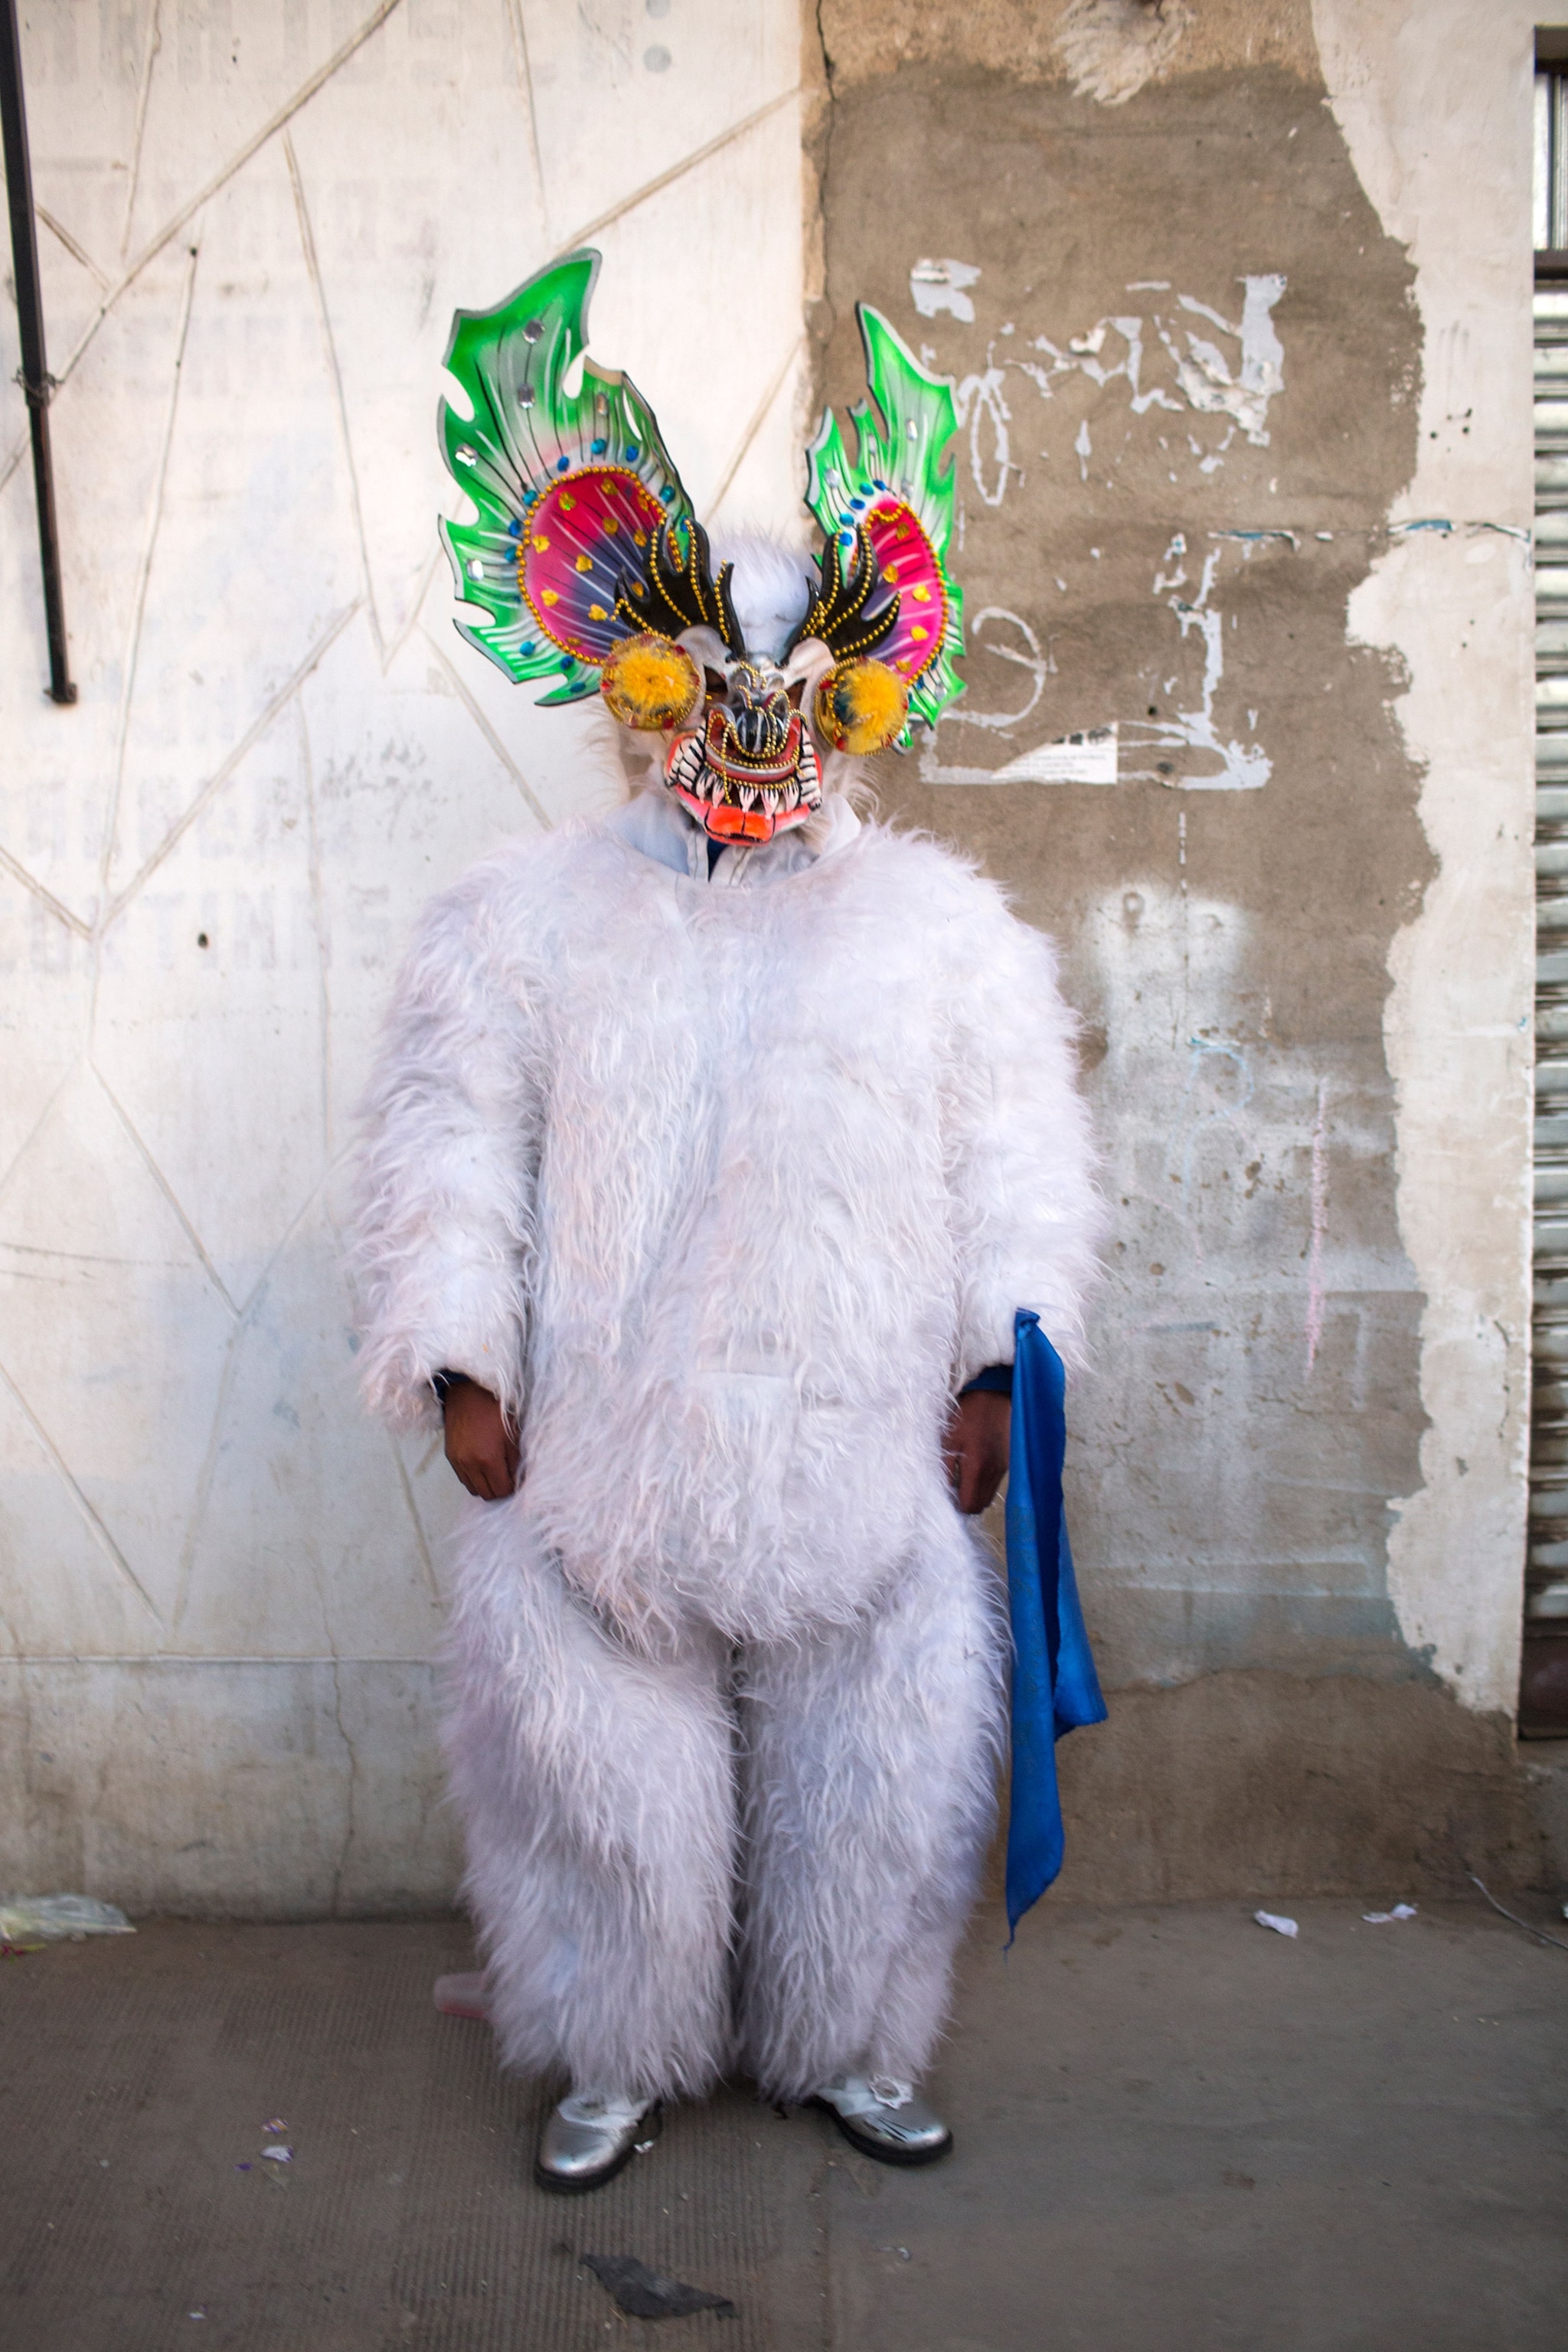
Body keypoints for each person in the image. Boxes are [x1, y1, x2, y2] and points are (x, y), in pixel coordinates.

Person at [352, 253, 1100, 2193]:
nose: (756, 741)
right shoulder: (520, 920)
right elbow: (453, 1133)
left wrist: (999, 1364)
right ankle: (615, 2047)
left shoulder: (942, 933)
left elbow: (1014, 1149)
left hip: (859, 1441)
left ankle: (850, 2043)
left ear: (856, 702)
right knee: (599, 1770)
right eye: (707, 692)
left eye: (799, 698)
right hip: (606, 1445)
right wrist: (460, 1357)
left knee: (881, 1761)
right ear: (633, 688)